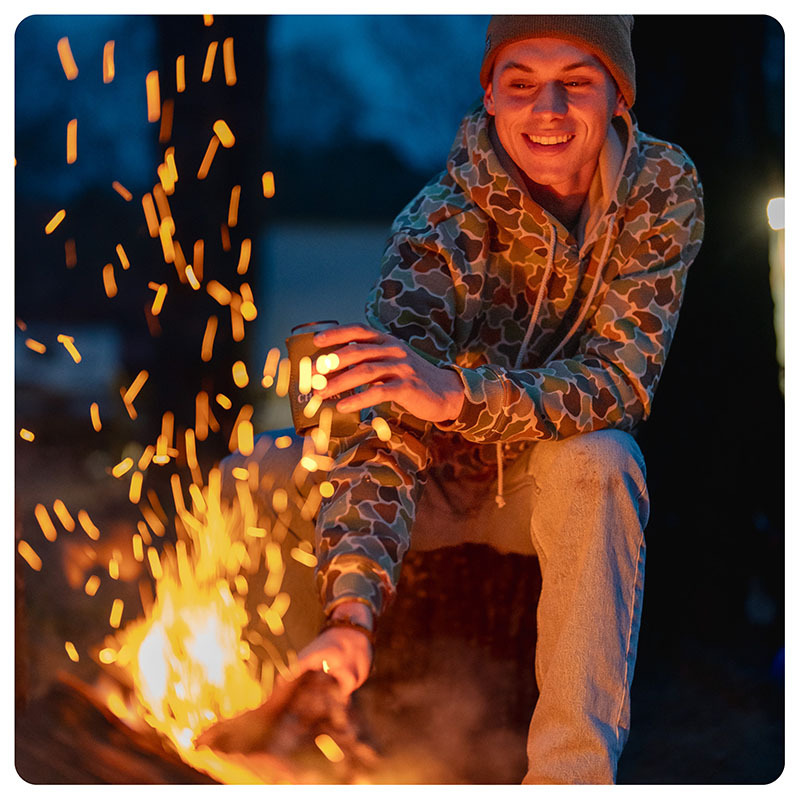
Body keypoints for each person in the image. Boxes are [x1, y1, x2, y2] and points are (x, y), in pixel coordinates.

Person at [211, 14, 704, 784]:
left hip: (543, 485)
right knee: (256, 476)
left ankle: (570, 774)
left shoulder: (660, 189)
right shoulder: (438, 224)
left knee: (603, 459)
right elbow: (380, 425)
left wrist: (455, 396)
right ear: (492, 99)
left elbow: (621, 381)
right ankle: (263, 740)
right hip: (433, 483)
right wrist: (351, 610)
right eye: (521, 85)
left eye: (575, 83)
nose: (547, 110)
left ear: (618, 94)